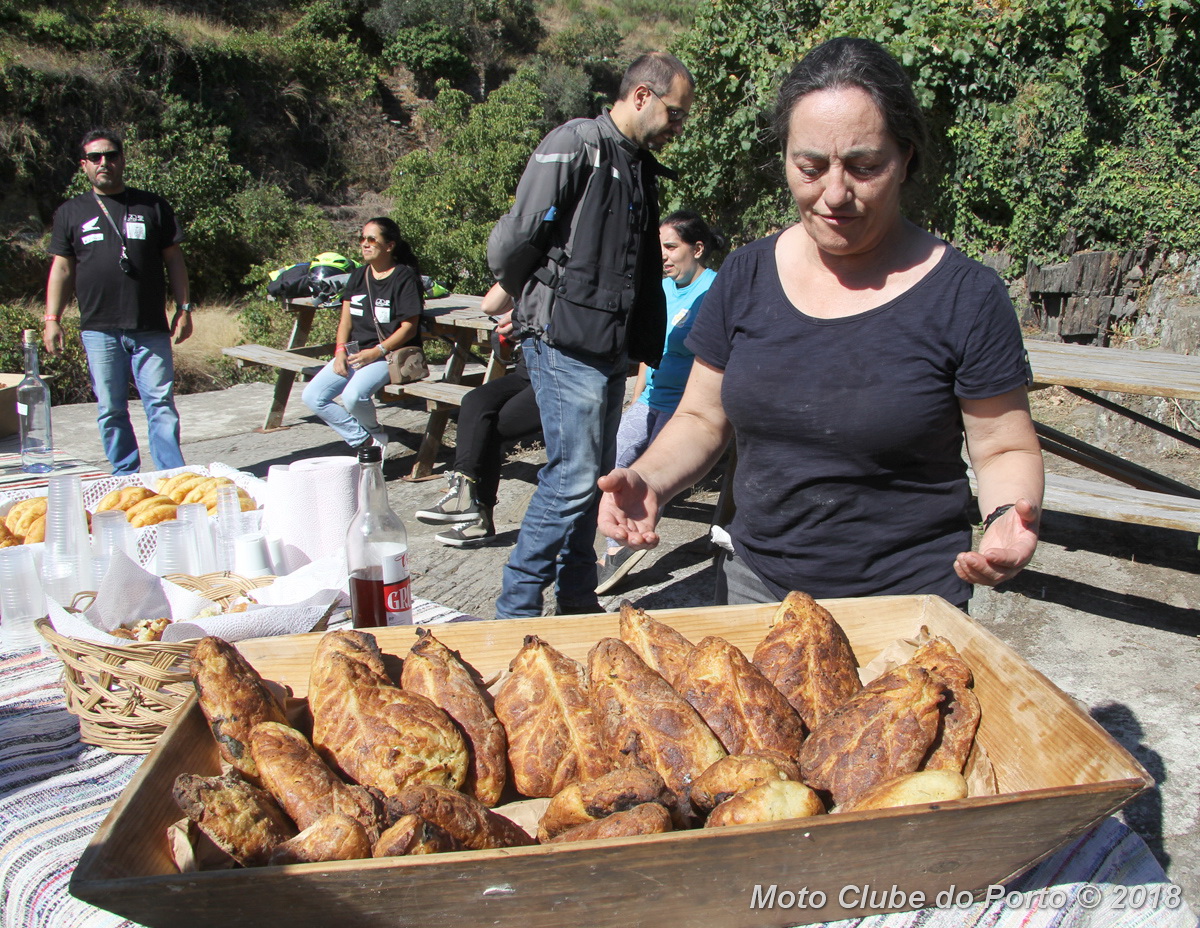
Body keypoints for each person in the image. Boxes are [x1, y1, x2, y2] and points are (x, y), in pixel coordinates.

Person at [598, 38, 1044, 610]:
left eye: (864, 167)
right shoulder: (745, 275)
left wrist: (1006, 517)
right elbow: (702, 417)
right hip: (756, 588)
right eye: (809, 168)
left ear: (905, 158)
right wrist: (650, 479)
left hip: (906, 605)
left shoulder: (968, 296)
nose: (835, 194)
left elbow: (1003, 448)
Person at [488, 52, 696, 618]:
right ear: (642, 96)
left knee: (596, 481)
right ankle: (515, 608)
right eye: (675, 113)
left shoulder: (636, 164)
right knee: (573, 478)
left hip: (607, 347)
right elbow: (514, 239)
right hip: (563, 339)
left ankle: (577, 600)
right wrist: (526, 297)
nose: (678, 127)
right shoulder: (579, 142)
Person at [44, 129, 193, 476]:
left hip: (149, 325)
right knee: (110, 408)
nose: (104, 163)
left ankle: (170, 475)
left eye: (111, 155)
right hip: (99, 328)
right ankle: (125, 476)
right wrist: (52, 318)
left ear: (122, 160)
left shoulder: (152, 205)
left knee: (160, 404)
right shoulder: (70, 212)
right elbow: (62, 268)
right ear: (83, 164)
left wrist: (184, 308)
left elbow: (174, 259)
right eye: (95, 157)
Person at [596, 210, 726, 594]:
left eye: (671, 247)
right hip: (652, 397)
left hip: (688, 407)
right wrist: (636, 400)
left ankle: (621, 549)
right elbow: (648, 354)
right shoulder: (661, 289)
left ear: (697, 249)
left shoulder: (716, 291)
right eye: (659, 248)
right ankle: (613, 540)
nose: (663, 256)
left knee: (656, 469)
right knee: (615, 460)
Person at [415, 283, 540, 548]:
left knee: (489, 429)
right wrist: (515, 272)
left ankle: (480, 519)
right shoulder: (527, 271)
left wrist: (520, 317)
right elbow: (489, 305)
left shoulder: (562, 269)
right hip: (526, 370)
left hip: (558, 375)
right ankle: (463, 492)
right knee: (474, 401)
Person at [302, 217, 423, 452]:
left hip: (388, 355)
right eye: (362, 239)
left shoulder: (404, 277)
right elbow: (345, 321)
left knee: (354, 396)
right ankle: (366, 440)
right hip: (355, 353)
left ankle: (373, 435)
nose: (365, 244)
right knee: (313, 396)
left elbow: (409, 327)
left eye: (372, 239)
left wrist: (377, 352)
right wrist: (339, 351)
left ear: (389, 246)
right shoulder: (358, 275)